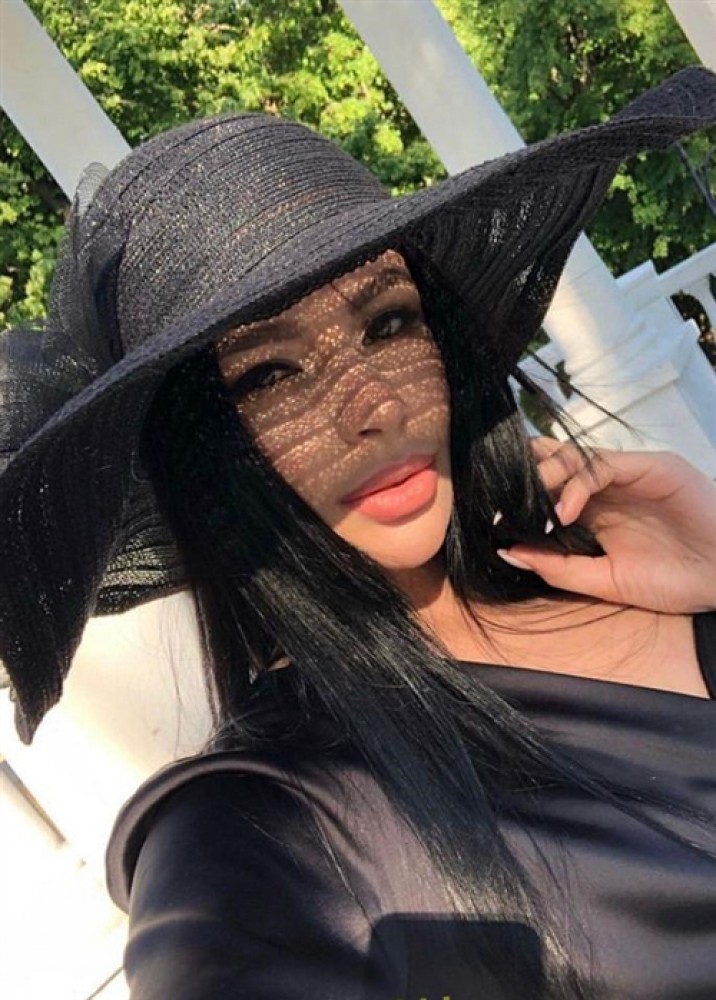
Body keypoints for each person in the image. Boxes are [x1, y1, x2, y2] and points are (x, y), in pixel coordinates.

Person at [1, 66, 716, 1000]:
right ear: (201, 457)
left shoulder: (636, 574)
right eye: (269, 375)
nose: (374, 405)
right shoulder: (253, 841)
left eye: (387, 322)